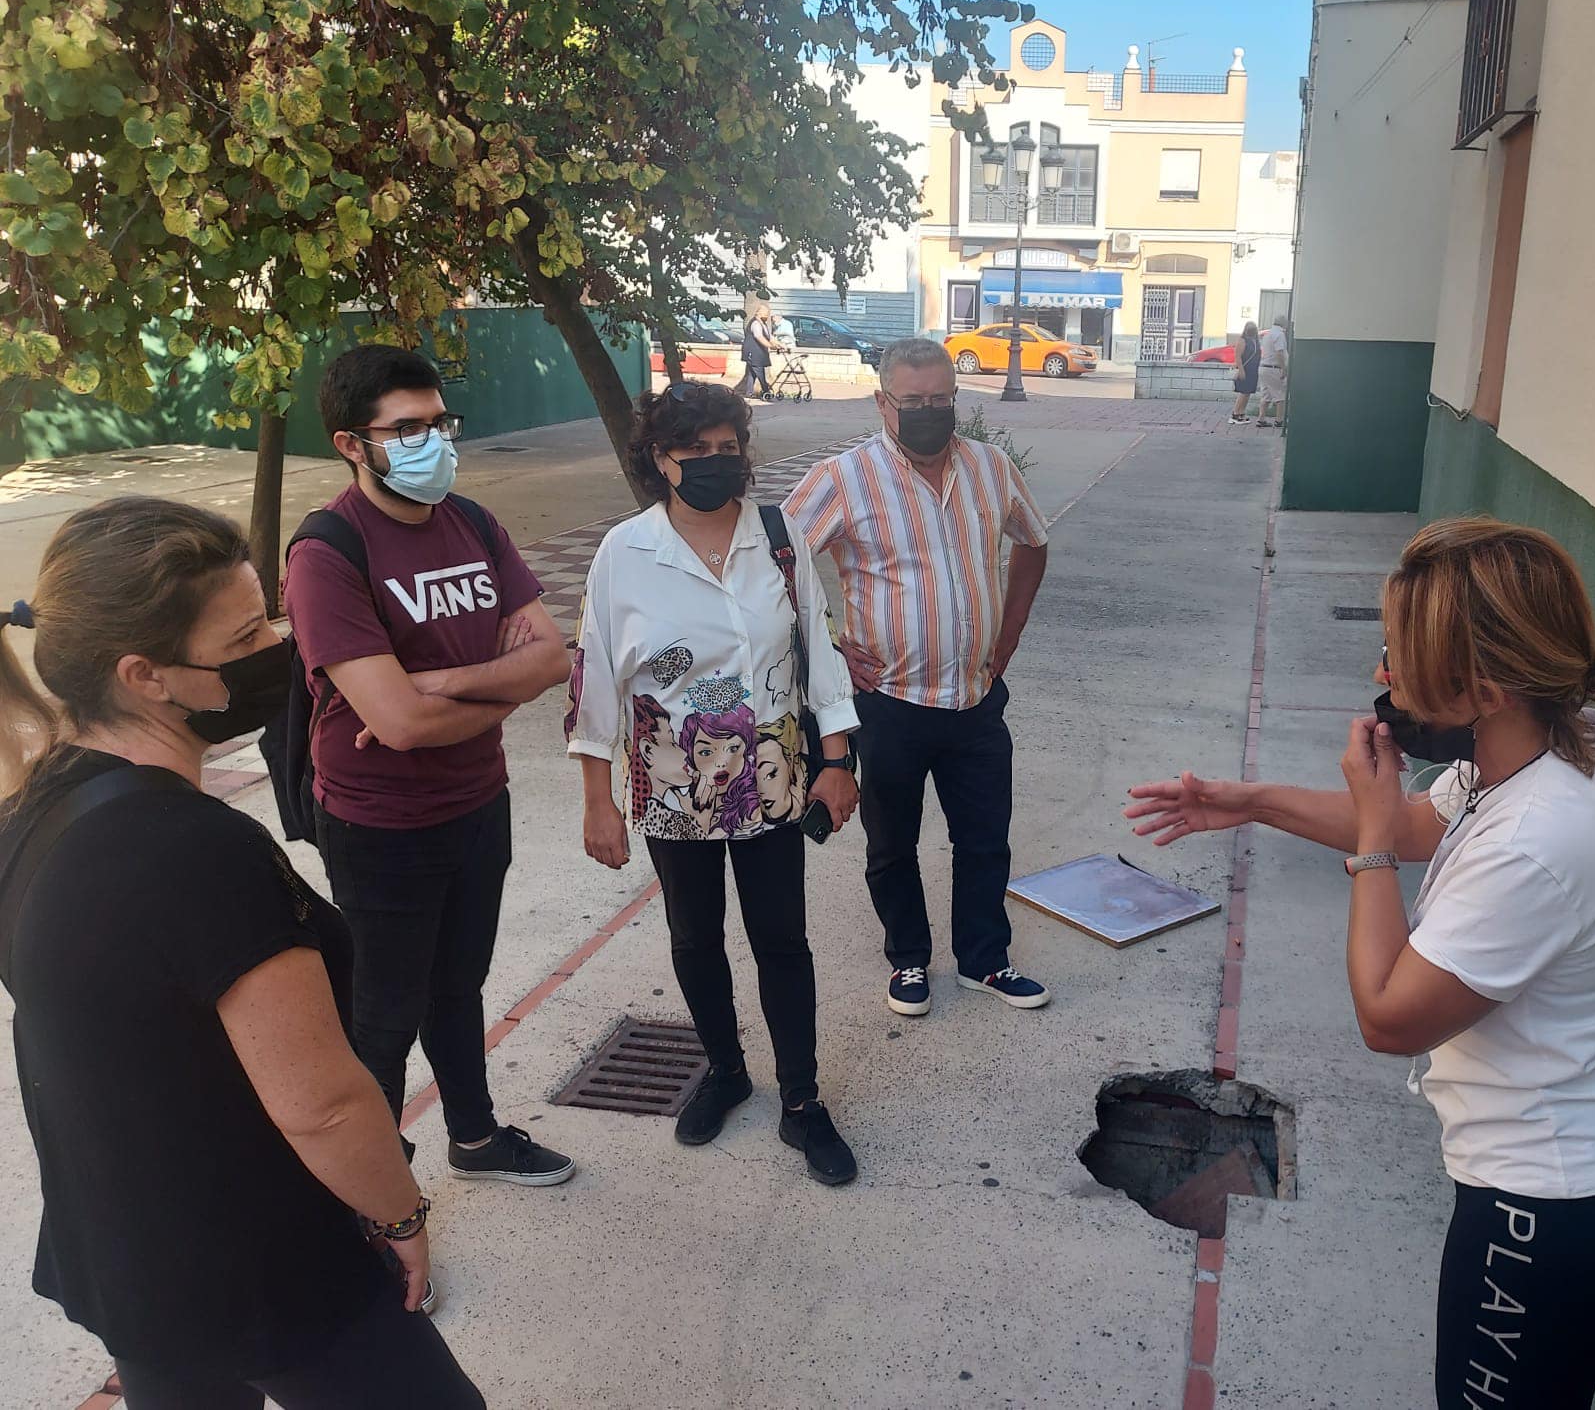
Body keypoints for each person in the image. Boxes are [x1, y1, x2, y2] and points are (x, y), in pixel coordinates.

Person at [1127, 518, 1595, 1408]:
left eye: (1400, 659)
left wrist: (1367, 841)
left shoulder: (1537, 843)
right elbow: (1416, 825)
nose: (1380, 677)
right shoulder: (1560, 735)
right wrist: (1246, 803)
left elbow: (1388, 1016)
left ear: (1483, 687)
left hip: (1554, 1214)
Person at [0, 498, 483, 1408]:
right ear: (145, 675)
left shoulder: (35, 808)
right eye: (245, 634)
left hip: (127, 1254)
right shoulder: (199, 850)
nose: (279, 643)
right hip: (261, 1261)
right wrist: (401, 1215)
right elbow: (327, 1107)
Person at [285, 345, 577, 1188]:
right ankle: (375, 1198)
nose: (432, 442)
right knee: (381, 1018)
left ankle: (476, 1139)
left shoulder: (474, 523)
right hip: (381, 826)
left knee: (460, 987)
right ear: (352, 444)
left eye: (438, 422)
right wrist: (491, 691)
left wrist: (449, 684)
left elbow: (551, 658)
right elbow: (398, 725)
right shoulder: (328, 553)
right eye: (405, 429)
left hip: (479, 803)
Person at [568, 382, 862, 1185]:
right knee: (695, 938)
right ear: (659, 461)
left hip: (773, 771)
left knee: (782, 940)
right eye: (691, 452)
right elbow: (597, 678)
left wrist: (837, 761)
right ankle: (726, 1071)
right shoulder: (627, 553)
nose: (711, 463)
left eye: (726, 448)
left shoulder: (778, 535)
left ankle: (802, 1103)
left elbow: (819, 652)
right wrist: (599, 801)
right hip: (672, 776)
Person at [785, 338, 1053, 1019]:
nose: (931, 412)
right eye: (915, 402)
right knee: (891, 844)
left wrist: (1010, 635)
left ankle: (985, 961)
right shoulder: (842, 478)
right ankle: (908, 959)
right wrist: (829, 650)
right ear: (883, 403)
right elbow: (775, 569)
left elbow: (1033, 541)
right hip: (890, 706)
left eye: (943, 400)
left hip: (975, 700)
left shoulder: (991, 469)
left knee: (985, 840)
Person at [738, 301, 778, 400]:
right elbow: (759, 336)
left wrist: (779, 344)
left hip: (759, 353)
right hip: (754, 352)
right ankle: (766, 390)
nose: (767, 316)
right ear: (759, 313)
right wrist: (770, 346)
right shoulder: (755, 323)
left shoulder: (763, 324)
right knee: (759, 372)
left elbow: (769, 337)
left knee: (752, 373)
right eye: (766, 314)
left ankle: (749, 392)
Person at [1255, 314, 1289, 425]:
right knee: (1280, 395)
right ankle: (1279, 420)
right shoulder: (1279, 335)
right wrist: (1283, 368)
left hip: (1263, 367)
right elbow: (1279, 352)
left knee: (1265, 395)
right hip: (1274, 368)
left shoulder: (1268, 334)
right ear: (1283, 323)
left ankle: (1261, 419)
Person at [1229, 320, 1261, 424]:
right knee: (1243, 392)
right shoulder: (1242, 340)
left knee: (1248, 392)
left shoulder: (1255, 341)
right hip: (1245, 368)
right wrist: (1241, 370)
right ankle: (1235, 414)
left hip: (1253, 370)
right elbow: (1238, 357)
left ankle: (1242, 412)